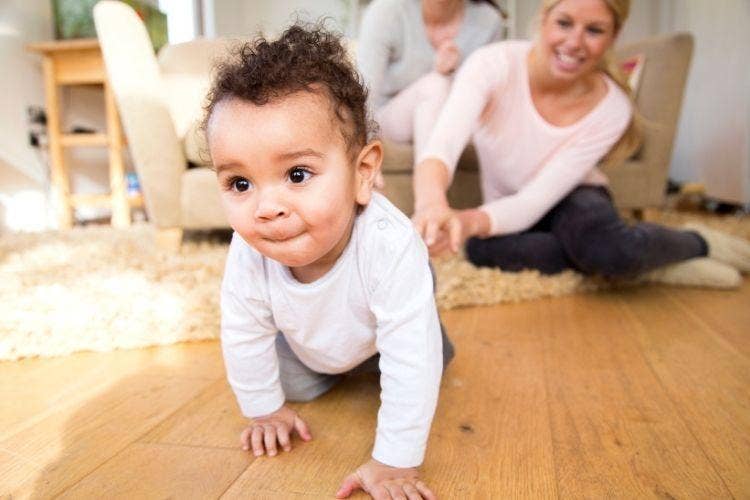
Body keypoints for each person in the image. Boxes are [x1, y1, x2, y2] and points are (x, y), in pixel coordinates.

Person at [204, 24, 452, 500]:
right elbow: (243, 329)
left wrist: (394, 462)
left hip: (386, 328)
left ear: (363, 173)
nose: (266, 208)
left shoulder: (388, 243)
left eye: (297, 174)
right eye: (240, 184)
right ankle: (337, 367)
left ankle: (418, 325)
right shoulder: (249, 250)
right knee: (289, 386)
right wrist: (264, 410)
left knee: (421, 357)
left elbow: (412, 364)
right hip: (310, 341)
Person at [411, 0, 750, 281]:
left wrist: (467, 220)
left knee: (607, 248)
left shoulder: (613, 107)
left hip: (574, 196)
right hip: (507, 203)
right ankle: (642, 264)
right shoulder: (492, 64)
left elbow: (536, 200)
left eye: (594, 30)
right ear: (544, 19)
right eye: (564, 23)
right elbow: (441, 148)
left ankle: (697, 242)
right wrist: (433, 205)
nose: (574, 42)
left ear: (613, 36)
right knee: (482, 250)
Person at [357, 0, 505, 168]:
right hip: (391, 118)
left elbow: (489, 101)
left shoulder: (488, 21)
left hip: (452, 118)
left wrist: (453, 74)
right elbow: (363, 94)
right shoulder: (387, 12)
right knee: (435, 85)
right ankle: (427, 189)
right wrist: (363, 156)